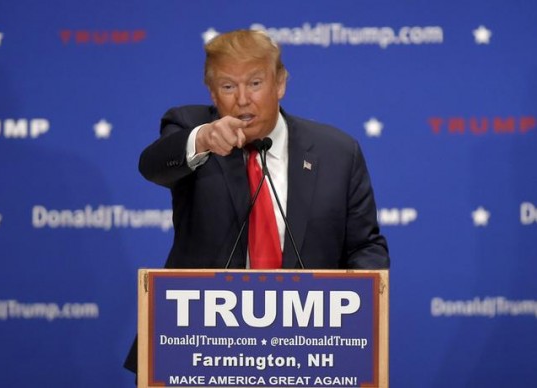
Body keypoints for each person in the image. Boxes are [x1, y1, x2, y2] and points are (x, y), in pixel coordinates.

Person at [124, 29, 389, 375]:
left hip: (309, 351)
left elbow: (365, 247)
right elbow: (153, 166)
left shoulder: (337, 153)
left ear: (280, 83)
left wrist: (350, 318)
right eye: (228, 86)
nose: (243, 100)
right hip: (202, 349)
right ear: (212, 92)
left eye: (255, 83)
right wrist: (200, 141)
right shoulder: (191, 128)